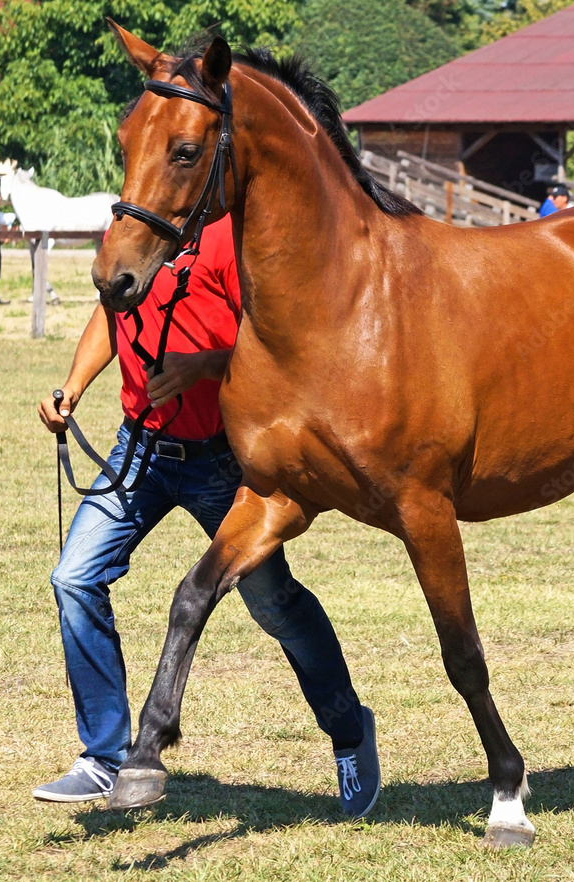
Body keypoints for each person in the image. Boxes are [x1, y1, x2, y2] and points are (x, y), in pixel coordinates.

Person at [34, 215, 380, 817]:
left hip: (221, 460)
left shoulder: (227, 236)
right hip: (140, 448)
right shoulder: (130, 229)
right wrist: (72, 388)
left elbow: (274, 342)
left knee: (274, 605)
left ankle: (350, 731)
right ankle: (105, 756)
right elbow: (110, 313)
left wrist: (203, 366)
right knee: (73, 577)